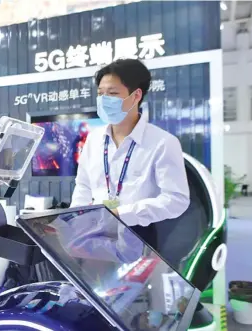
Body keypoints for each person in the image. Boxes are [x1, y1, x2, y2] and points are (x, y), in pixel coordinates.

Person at [70, 59, 190, 249]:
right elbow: (83, 186)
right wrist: (75, 218)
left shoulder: (163, 142)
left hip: (140, 236)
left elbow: (176, 200)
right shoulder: (93, 139)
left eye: (113, 93)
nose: (104, 99)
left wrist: (123, 213)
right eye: (100, 93)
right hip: (94, 233)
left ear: (136, 96)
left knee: (134, 280)